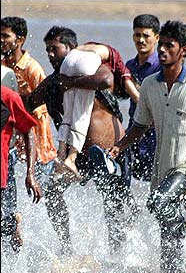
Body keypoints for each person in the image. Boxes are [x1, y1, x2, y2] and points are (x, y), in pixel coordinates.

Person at [107, 20, 186, 273]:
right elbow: (140, 125)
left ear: (183, 50)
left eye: (168, 45)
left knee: (157, 201)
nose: (161, 50)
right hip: (162, 167)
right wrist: (120, 146)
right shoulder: (150, 84)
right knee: (166, 228)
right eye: (160, 44)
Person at [27, 26, 140, 256]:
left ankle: (118, 257)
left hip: (109, 152)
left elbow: (106, 79)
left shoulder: (93, 68)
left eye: (54, 49)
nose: (50, 55)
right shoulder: (53, 83)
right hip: (79, 157)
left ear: (70, 50)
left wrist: (73, 82)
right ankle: (66, 248)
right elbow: (27, 104)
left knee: (114, 206)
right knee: (53, 191)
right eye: (47, 50)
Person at [56, 41, 139, 176]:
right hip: (86, 63)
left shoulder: (94, 45)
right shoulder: (117, 60)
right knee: (81, 113)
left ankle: (60, 156)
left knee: (68, 114)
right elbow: (131, 90)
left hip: (68, 60)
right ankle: (71, 158)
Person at [1, 16, 57, 180]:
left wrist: (23, 103)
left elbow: (47, 101)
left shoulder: (32, 68)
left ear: (20, 40)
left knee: (40, 184)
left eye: (5, 36)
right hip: (11, 136)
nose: (1, 40)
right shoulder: (3, 67)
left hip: (36, 137)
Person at [1, 85, 43, 254]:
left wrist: (30, 174)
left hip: (1, 177)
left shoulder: (8, 98)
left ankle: (11, 225)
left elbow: (29, 131)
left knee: (5, 232)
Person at [125, 14, 161, 181]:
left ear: (156, 37)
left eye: (146, 35)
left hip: (156, 132)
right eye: (137, 35)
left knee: (155, 179)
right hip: (133, 130)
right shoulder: (129, 66)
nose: (141, 40)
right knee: (128, 179)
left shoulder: (161, 67)